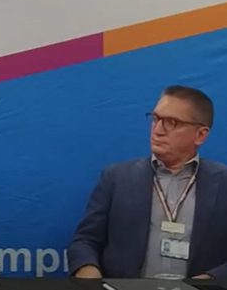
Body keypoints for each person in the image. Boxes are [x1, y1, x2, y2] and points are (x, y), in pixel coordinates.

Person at [68, 85, 227, 279]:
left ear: (200, 135)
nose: (158, 130)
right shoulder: (117, 178)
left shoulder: (222, 182)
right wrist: (88, 270)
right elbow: (85, 240)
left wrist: (211, 280)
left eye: (171, 122)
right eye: (155, 119)